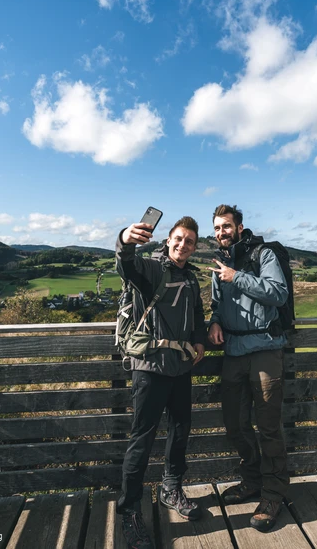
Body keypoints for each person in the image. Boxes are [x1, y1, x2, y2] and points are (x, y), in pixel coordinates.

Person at [115, 216, 207, 549]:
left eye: (190, 242)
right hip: (150, 368)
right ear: (168, 241)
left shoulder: (190, 278)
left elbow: (197, 313)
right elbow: (126, 266)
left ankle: (171, 489)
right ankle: (130, 512)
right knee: (142, 439)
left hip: (181, 368)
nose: (184, 245)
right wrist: (125, 240)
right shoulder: (154, 270)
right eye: (179, 239)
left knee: (181, 430)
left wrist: (199, 340)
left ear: (195, 247)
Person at [208, 204, 289, 533]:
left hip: (265, 349)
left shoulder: (263, 255)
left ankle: (273, 494)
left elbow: (278, 294)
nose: (221, 233)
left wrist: (237, 277)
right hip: (233, 352)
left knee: (268, 427)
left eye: (226, 226)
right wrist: (214, 321)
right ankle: (252, 482)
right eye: (216, 228)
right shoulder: (220, 261)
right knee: (235, 424)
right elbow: (216, 302)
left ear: (239, 227)